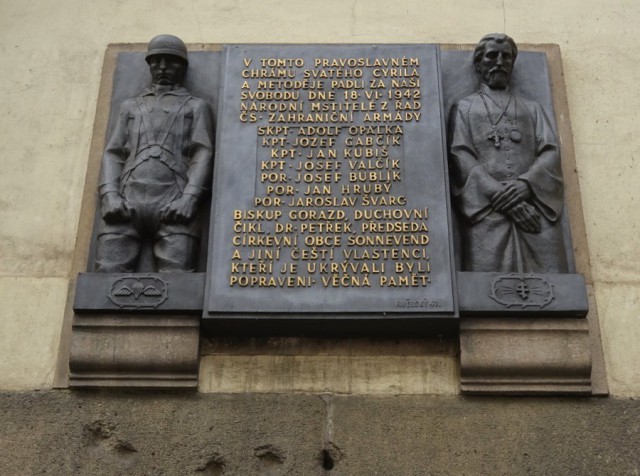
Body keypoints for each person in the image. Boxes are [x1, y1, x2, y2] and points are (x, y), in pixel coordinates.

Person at [448, 33, 568, 273]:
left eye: (506, 57)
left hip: (534, 209)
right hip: (487, 212)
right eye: (492, 56)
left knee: (552, 279)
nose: (500, 62)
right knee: (486, 286)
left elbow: (550, 152)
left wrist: (527, 185)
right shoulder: (464, 107)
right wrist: (500, 196)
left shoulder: (532, 108)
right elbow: (460, 155)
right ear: (479, 64)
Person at [95, 34, 214, 272]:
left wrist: (189, 199)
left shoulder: (195, 106)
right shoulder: (130, 106)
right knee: (105, 281)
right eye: (156, 61)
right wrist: (110, 195)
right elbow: (113, 153)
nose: (162, 67)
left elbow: (203, 153)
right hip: (127, 202)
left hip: (174, 201)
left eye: (171, 62)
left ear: (183, 67)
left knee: (178, 286)